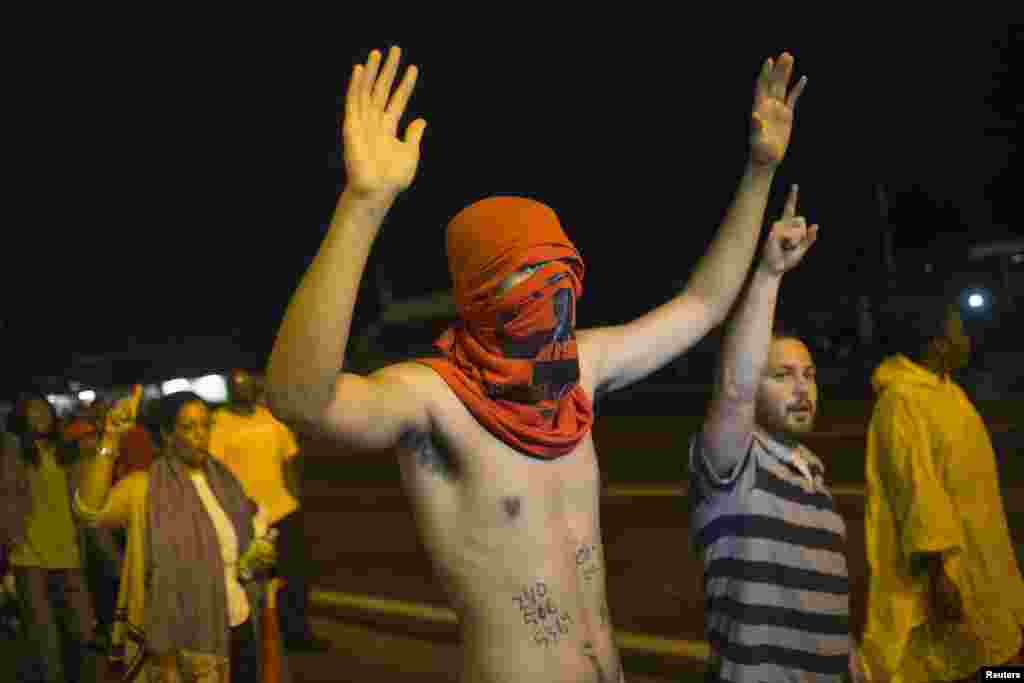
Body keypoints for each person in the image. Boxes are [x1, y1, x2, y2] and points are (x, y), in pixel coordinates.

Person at [267, 45, 806, 681]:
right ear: (475, 294)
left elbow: (703, 303)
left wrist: (759, 171)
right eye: (521, 274)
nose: (546, 293)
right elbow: (302, 401)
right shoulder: (435, 399)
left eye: (556, 270)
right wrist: (363, 202)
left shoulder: (581, 369)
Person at [687, 188, 854, 680]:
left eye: (809, 375)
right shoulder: (734, 467)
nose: (802, 388)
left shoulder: (813, 473)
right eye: (781, 376)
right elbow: (736, 391)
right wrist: (768, 274)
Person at [854, 294, 1024, 681]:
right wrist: (939, 578)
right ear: (936, 343)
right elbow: (918, 493)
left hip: (983, 566)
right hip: (946, 579)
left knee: (999, 663)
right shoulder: (901, 401)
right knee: (967, 669)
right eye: (957, 329)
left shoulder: (948, 392)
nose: (966, 338)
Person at [75, 388, 284, 683]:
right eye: (188, 427)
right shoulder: (145, 488)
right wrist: (110, 438)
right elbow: (89, 511)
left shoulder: (225, 484)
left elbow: (238, 557)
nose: (201, 434)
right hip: (184, 644)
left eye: (205, 424)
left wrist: (252, 560)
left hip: (239, 624)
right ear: (168, 435)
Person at [209, 369, 329, 651]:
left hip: (284, 512)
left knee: (296, 577)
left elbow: (290, 460)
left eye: (247, 386)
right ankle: (257, 640)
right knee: (253, 582)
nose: (243, 391)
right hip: (246, 519)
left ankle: (297, 633)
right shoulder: (218, 425)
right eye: (237, 387)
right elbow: (216, 474)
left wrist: (295, 498)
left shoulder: (272, 419)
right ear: (229, 392)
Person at [5, 393, 99, 683]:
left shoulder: (64, 453)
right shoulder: (11, 452)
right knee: (46, 646)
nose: (41, 416)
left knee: (84, 636)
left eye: (44, 410)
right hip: (29, 560)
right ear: (21, 417)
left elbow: (84, 499)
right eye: (32, 412)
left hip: (68, 556)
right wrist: (9, 545)